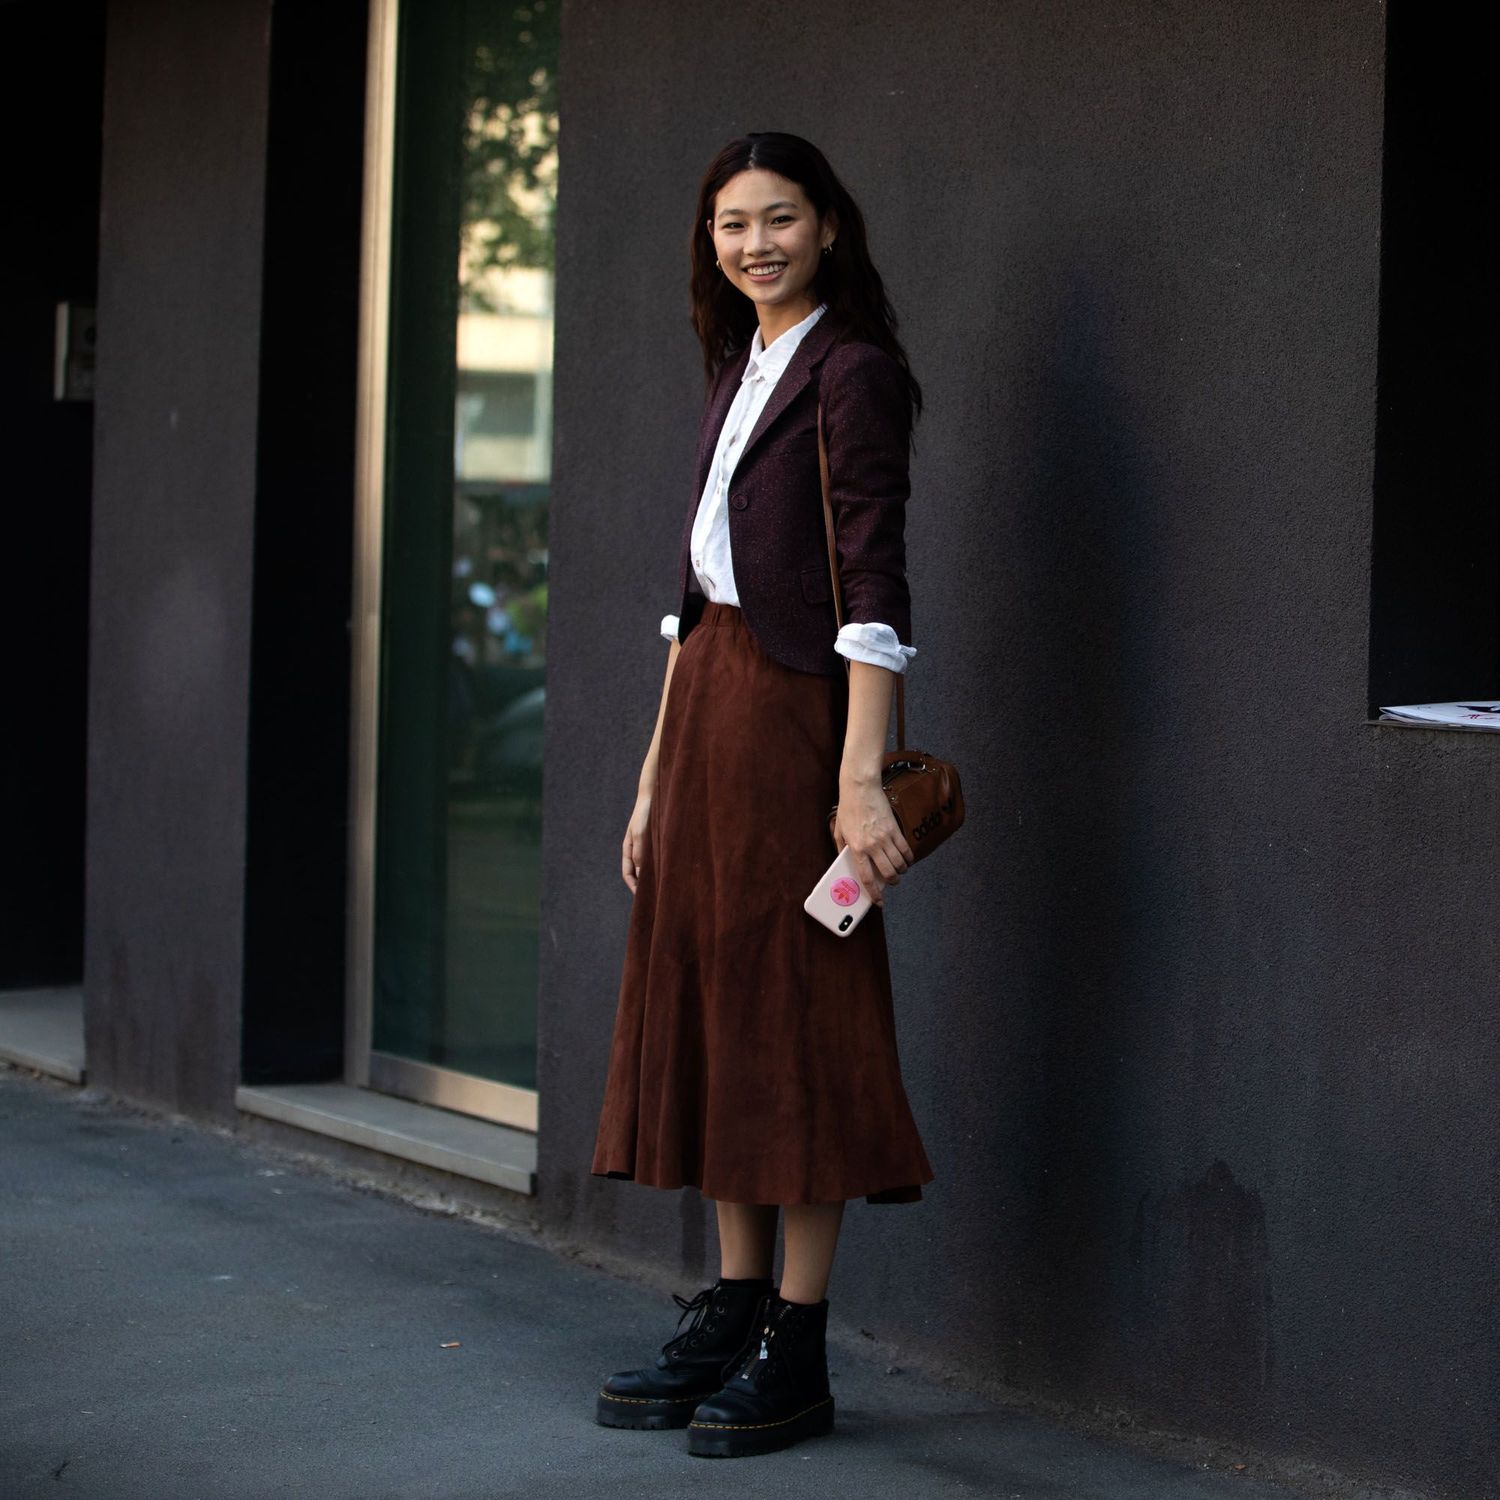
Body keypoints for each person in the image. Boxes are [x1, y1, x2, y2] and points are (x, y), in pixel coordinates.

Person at [590, 130, 933, 1460]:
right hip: (709, 720)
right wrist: (643, 783)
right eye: (732, 224)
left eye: (779, 219)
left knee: (798, 1021)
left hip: (801, 730)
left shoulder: (854, 373)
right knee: (720, 1013)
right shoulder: (739, 366)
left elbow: (876, 588)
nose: (754, 244)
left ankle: (798, 1341)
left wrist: (860, 779)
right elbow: (696, 599)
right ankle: (732, 1310)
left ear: (829, 227)